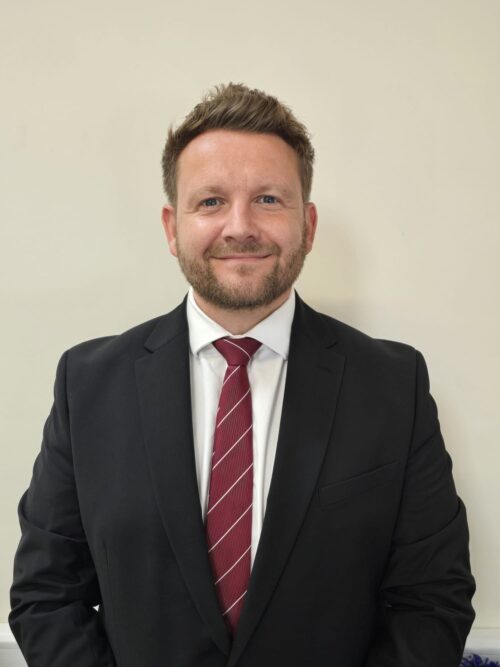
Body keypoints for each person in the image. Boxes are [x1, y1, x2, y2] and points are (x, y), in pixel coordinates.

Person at [9, 83, 475, 667]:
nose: (240, 226)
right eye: (210, 202)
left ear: (307, 224)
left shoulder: (392, 387)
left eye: (268, 200)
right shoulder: (88, 386)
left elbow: (431, 601)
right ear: (171, 227)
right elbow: (47, 596)